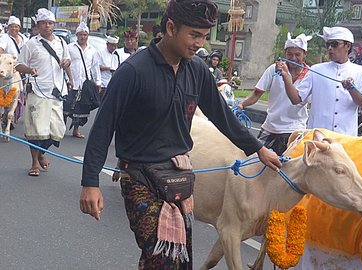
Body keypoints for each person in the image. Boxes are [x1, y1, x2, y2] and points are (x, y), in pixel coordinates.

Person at [78, 1, 281, 269]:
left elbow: (222, 116)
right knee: (161, 256)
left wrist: (258, 149)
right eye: (194, 35)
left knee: (178, 258)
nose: (199, 43)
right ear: (171, 28)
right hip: (139, 177)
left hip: (179, 178)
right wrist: (90, 182)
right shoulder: (133, 72)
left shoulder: (197, 71)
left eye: (204, 37)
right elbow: (103, 128)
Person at [286, 26, 362, 136]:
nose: (330, 48)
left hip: (345, 138)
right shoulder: (316, 70)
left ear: (348, 46)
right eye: (328, 45)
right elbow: (296, 99)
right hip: (317, 138)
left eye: (335, 44)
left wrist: (351, 88)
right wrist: (286, 78)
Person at [15, 8, 71, 177]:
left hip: (57, 91)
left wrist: (67, 64)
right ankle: (34, 163)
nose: (47, 26)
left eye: (50, 23)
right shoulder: (31, 43)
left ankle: (41, 153)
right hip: (38, 92)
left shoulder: (61, 43)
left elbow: (67, 61)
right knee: (35, 130)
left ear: (54, 25)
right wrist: (30, 69)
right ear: (38, 26)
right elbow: (18, 65)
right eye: (44, 23)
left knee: (57, 131)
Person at [237, 33, 312, 155]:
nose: (293, 58)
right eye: (289, 54)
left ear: (304, 54)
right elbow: (257, 93)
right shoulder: (273, 70)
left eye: (297, 55)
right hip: (270, 126)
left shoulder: (310, 75)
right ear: (285, 54)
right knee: (253, 159)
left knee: (288, 167)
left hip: (295, 129)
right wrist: (241, 104)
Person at [65, 22, 101, 139]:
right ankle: (60, 129)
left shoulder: (92, 51)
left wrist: (98, 82)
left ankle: (76, 130)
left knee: (81, 109)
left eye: (85, 35)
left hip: (84, 84)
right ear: (77, 35)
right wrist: (66, 79)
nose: (83, 37)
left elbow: (95, 67)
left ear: (87, 36)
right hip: (71, 83)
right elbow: (66, 64)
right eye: (80, 34)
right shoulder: (70, 48)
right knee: (66, 107)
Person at [0, 16, 28, 130]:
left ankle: (12, 117)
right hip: (7, 69)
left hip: (21, 69)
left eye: (16, 27)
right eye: (11, 27)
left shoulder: (24, 39)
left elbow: (27, 52)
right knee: (3, 90)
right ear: (8, 28)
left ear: (19, 28)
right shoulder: (4, 38)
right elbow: (1, 50)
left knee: (20, 92)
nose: (14, 29)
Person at [95, 35, 120, 101]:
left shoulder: (116, 54)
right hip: (103, 84)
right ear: (107, 44)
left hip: (112, 84)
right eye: (112, 45)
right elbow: (97, 67)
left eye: (115, 45)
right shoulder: (100, 53)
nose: (114, 47)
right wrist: (109, 68)